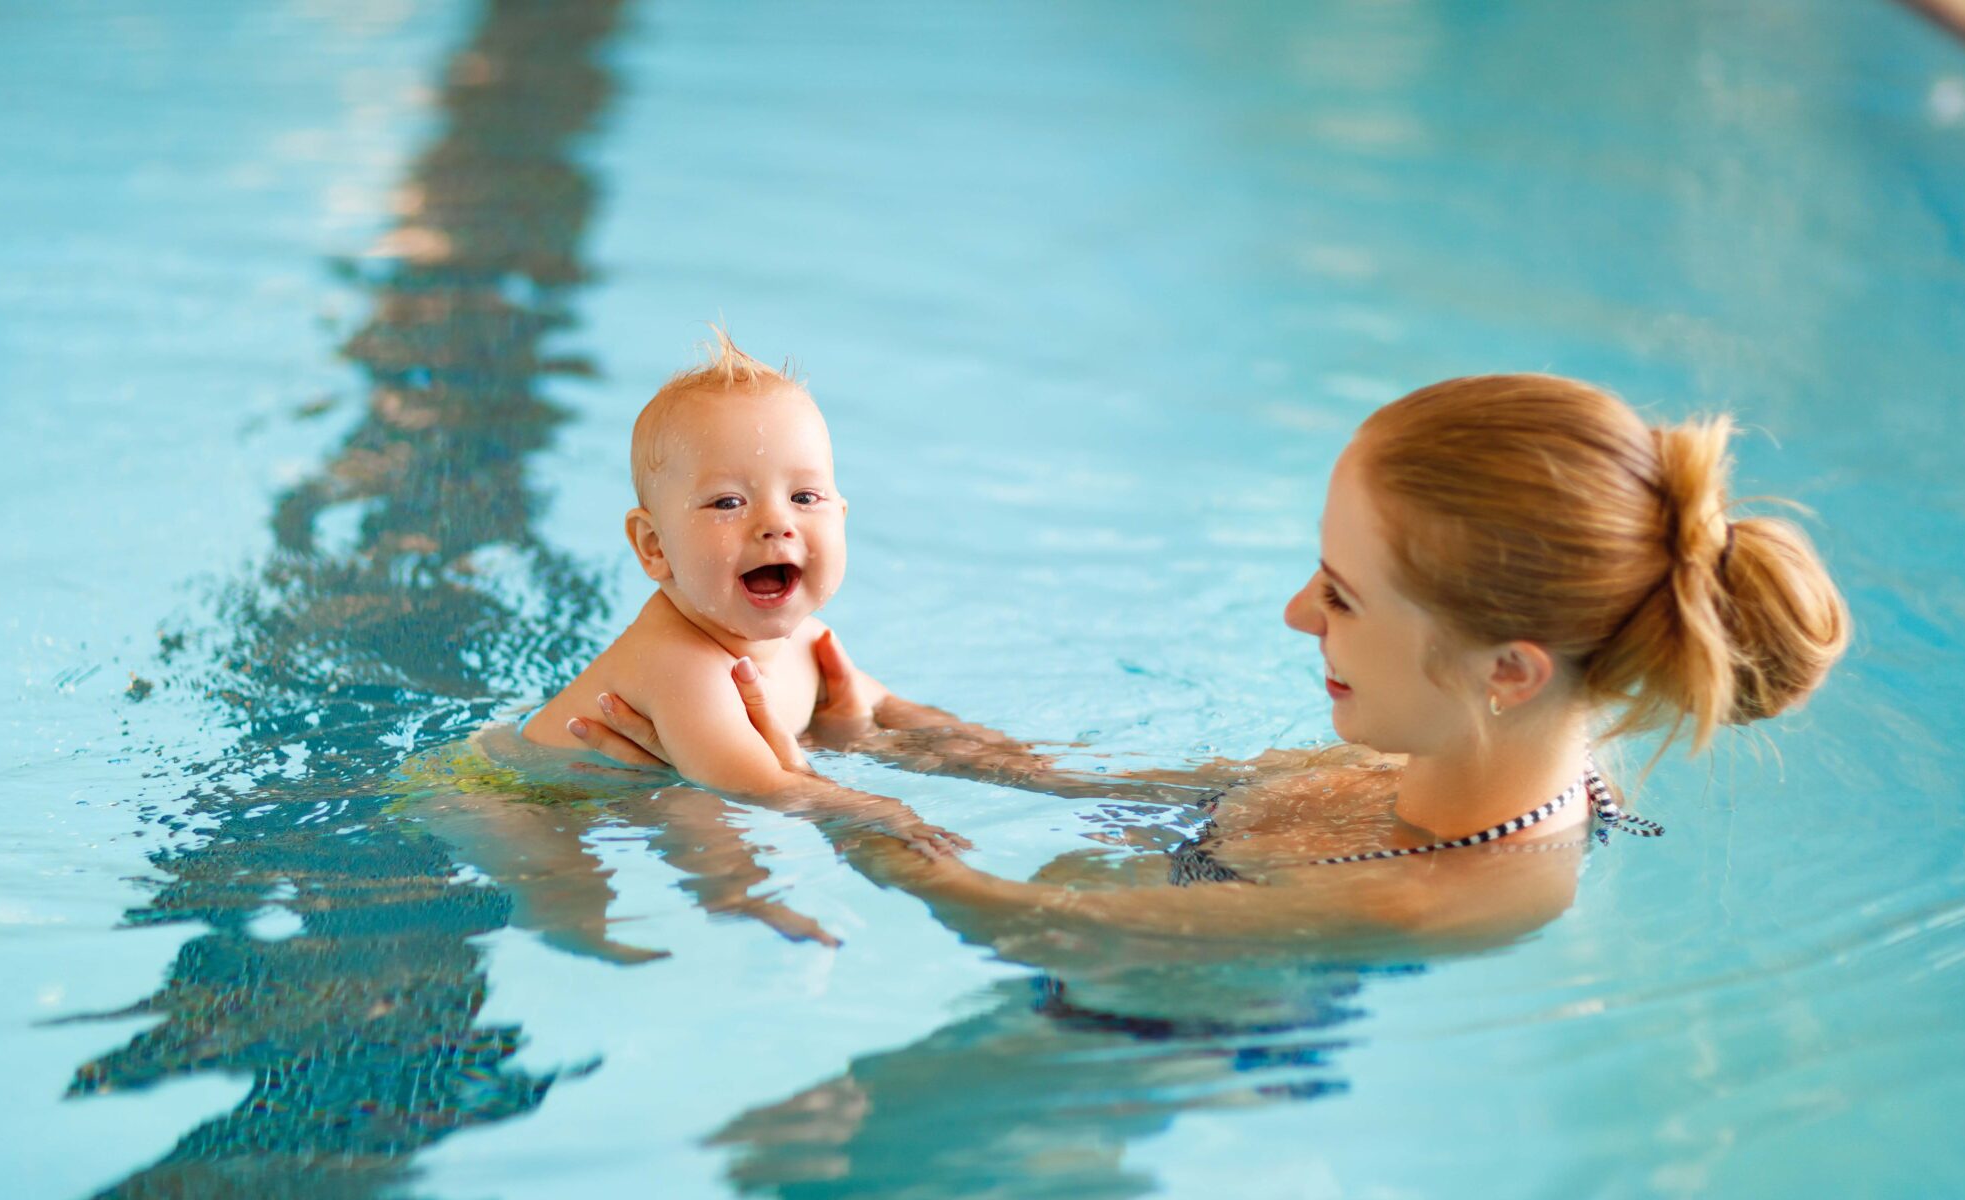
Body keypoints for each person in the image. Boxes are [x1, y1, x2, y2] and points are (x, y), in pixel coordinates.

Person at [571, 373, 1853, 955]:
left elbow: (1033, 921)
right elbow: (1110, 787)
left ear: (1508, 670)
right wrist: (887, 730)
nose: (1296, 612)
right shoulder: (1457, 752)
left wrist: (833, 812)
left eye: (1340, 593)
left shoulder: (1438, 894)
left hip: (1118, 1055)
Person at [382, 330, 957, 960]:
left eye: (804, 497)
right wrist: (878, 810)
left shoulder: (808, 639)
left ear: (840, 517)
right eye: (728, 502)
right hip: (499, 794)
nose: (776, 523)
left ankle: (729, 895)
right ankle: (687, 908)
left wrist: (1019, 765)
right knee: (567, 879)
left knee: (689, 805)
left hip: (612, 776)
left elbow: (896, 715)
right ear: (654, 547)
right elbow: (755, 784)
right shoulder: (680, 663)